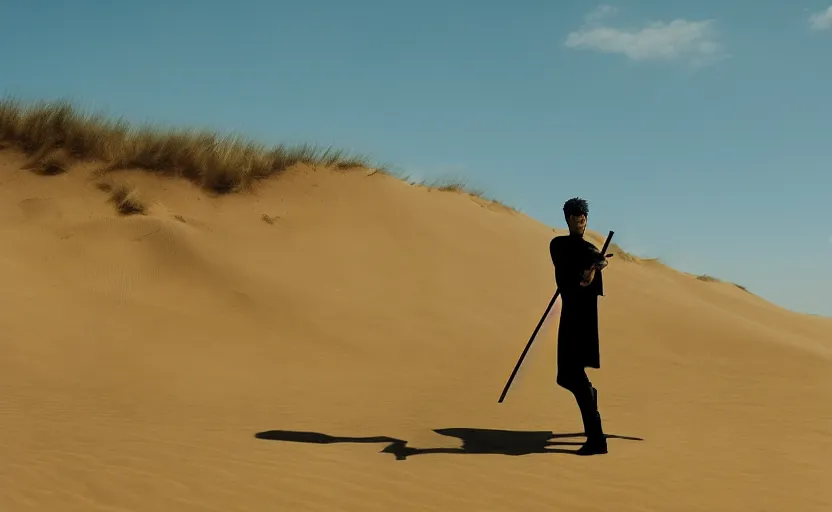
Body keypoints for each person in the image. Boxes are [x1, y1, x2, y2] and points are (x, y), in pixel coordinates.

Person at [549, 197, 610, 455]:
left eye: (583, 216)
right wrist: (582, 273)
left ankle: (597, 439)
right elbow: (564, 267)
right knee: (565, 376)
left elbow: (596, 264)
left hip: (583, 321)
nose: (580, 219)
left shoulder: (590, 250)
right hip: (569, 317)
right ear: (567, 220)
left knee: (573, 375)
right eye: (575, 216)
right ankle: (590, 397)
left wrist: (594, 270)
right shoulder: (559, 245)